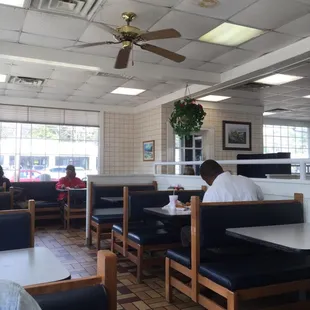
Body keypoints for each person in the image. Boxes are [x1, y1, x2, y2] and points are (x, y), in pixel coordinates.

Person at [181, 159, 264, 246]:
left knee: (185, 231)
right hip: (252, 238)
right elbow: (261, 197)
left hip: (224, 242)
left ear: (204, 178)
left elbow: (204, 221)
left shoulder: (212, 191)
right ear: (221, 169)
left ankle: (197, 258)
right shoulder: (247, 181)